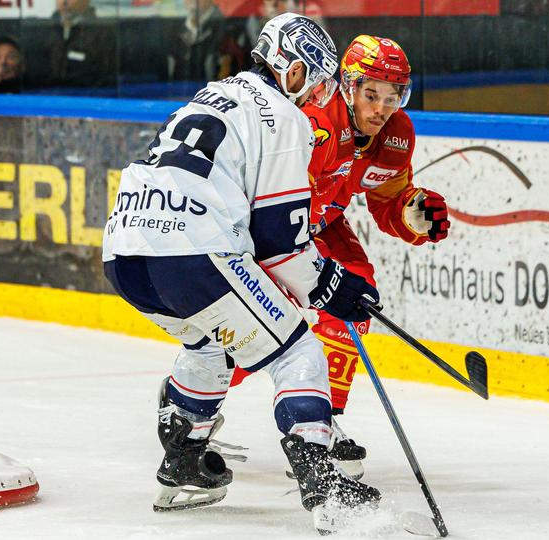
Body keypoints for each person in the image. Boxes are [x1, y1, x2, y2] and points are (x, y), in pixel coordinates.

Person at [101, 13, 381, 518]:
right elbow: (279, 243)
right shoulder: (283, 116)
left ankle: (183, 464)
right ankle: (325, 488)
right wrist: (333, 285)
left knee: (209, 346)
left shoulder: (212, 93)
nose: (317, 96)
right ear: (290, 70)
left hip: (125, 252)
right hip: (192, 252)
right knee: (298, 354)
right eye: (313, 81)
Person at [298, 35, 450, 478]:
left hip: (322, 223)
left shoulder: (397, 134)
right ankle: (195, 399)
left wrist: (414, 213)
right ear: (347, 85)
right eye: (371, 94)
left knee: (355, 292)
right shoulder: (315, 124)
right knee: (266, 326)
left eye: (393, 95)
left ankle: (322, 423)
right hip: (272, 228)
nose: (381, 107)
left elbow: (388, 201)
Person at [47, 0, 117, 89]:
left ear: (86, 1)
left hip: (87, 96)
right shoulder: (44, 30)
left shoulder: (102, 33)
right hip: (46, 96)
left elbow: (106, 76)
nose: (64, 2)